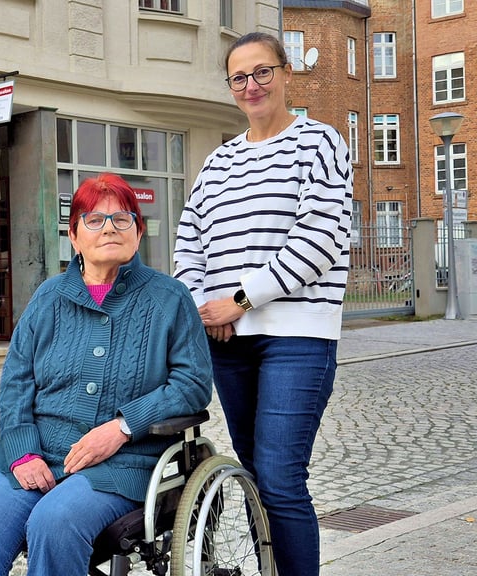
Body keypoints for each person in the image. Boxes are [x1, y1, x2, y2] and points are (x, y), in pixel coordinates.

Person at [0, 173, 212, 576]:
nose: (109, 228)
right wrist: (22, 452)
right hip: (39, 455)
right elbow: (16, 382)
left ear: (138, 232)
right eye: (95, 219)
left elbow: (191, 386)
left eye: (122, 219)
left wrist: (122, 427)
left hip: (123, 463)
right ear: (74, 235)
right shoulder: (48, 298)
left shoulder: (169, 298)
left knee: (54, 522)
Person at [173, 32, 353, 576]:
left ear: (286, 73)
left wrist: (241, 299)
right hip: (230, 341)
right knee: (254, 476)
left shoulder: (320, 143)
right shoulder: (218, 162)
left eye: (262, 72)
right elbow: (189, 242)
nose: (251, 85)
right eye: (239, 77)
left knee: (279, 476)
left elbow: (319, 239)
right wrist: (209, 305)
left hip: (297, 336)